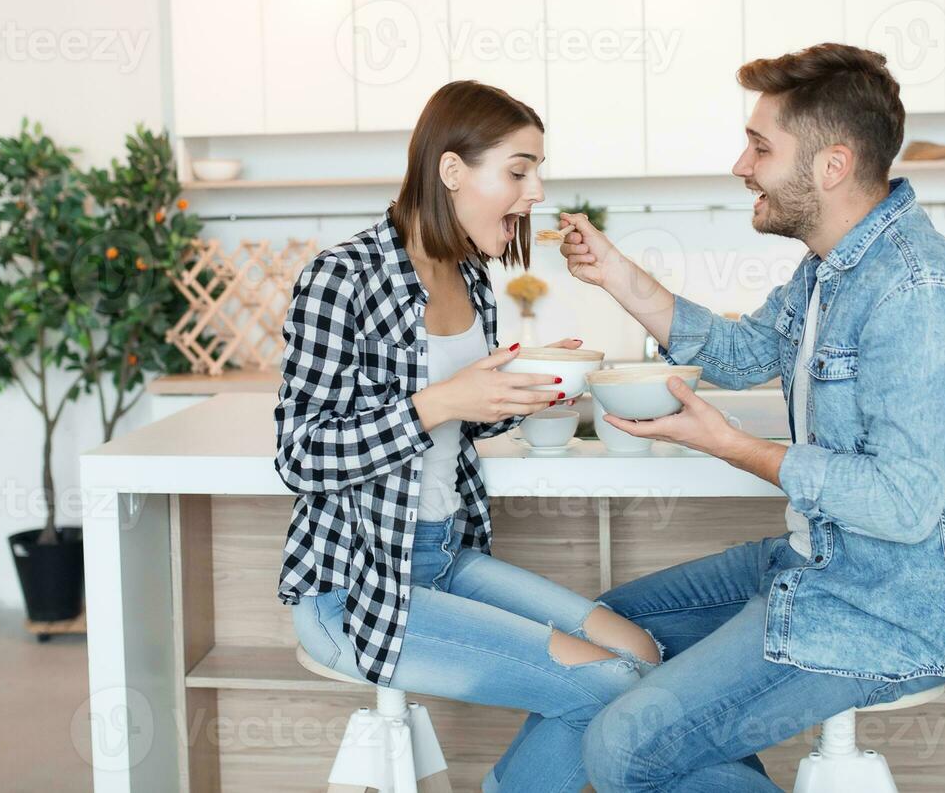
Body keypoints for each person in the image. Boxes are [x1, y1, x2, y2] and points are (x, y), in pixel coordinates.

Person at [559, 43, 945, 791]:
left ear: (832, 166)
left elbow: (902, 505)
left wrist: (736, 447)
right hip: (813, 565)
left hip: (883, 609)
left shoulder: (917, 293)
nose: (743, 166)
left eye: (760, 146)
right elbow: (740, 353)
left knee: (625, 747)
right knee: (602, 633)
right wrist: (616, 273)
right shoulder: (830, 271)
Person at [276, 80, 662, 793]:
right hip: (358, 588)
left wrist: (533, 388)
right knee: (612, 687)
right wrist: (440, 399)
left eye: (537, 171)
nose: (537, 191)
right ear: (452, 170)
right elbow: (300, 454)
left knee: (640, 651)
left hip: (445, 556)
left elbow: (466, 415)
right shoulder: (341, 278)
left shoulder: (472, 279)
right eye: (518, 171)